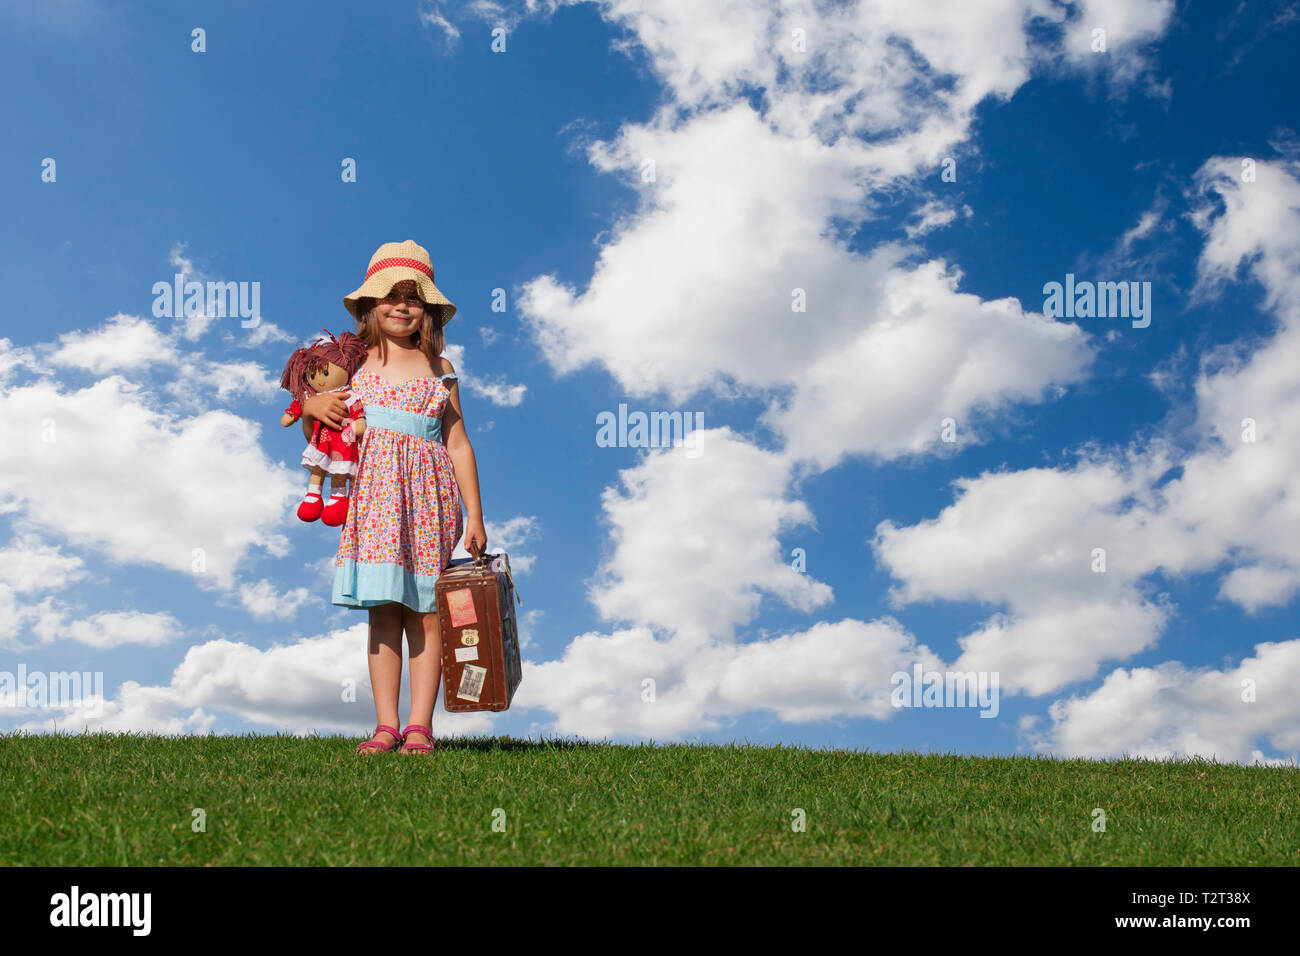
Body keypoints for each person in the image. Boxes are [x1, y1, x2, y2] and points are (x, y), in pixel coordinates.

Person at [302, 240, 487, 756]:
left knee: (426, 612)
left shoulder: (440, 366)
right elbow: (324, 437)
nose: (401, 305)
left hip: (430, 498)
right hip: (375, 500)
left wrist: (475, 514)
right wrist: (314, 405)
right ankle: (386, 725)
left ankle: (420, 727)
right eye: (389, 295)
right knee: (383, 609)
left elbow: (458, 442)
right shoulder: (351, 364)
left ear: (427, 309)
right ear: (369, 304)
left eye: (413, 297)